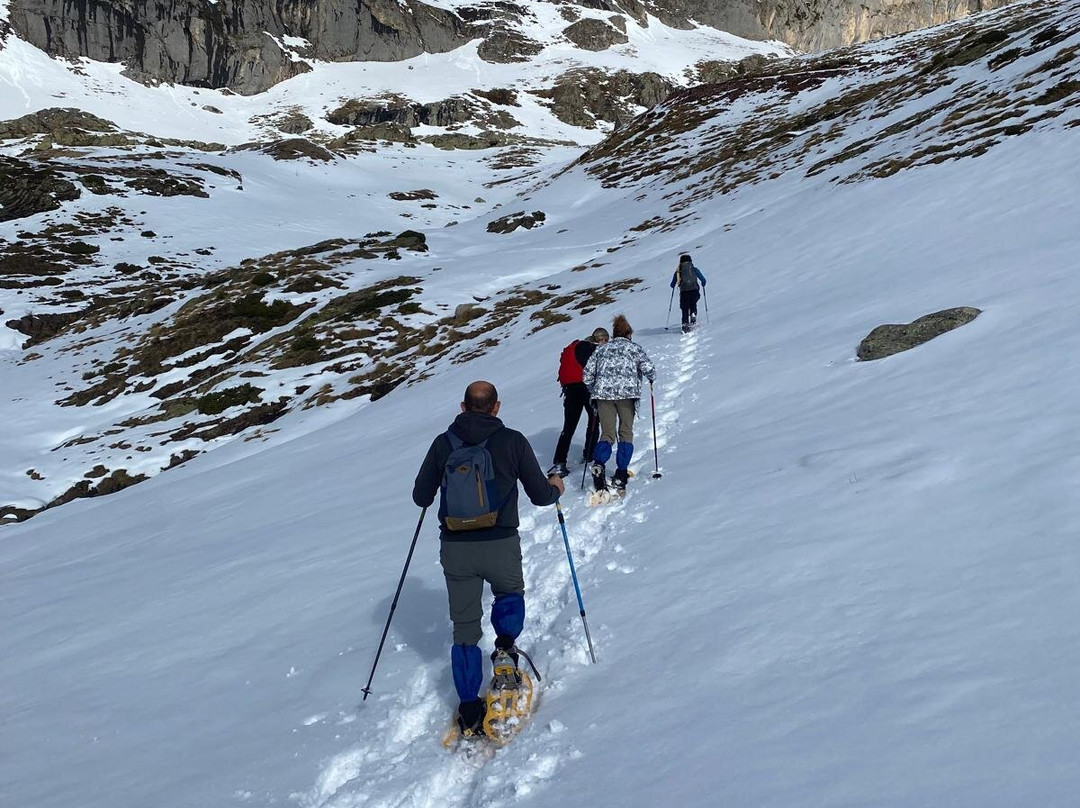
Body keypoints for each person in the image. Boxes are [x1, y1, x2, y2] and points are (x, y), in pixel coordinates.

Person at [412, 380, 565, 736]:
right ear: (496, 407)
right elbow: (541, 496)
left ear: (463, 407)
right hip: (500, 542)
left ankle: (468, 706)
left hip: (456, 548)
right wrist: (556, 486)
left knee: (464, 628)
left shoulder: (443, 443)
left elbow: (421, 496)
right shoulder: (512, 441)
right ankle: (505, 650)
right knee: (509, 594)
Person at [582, 315, 656, 493]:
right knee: (625, 433)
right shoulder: (634, 348)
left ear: (614, 334)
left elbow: (586, 376)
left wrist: (595, 390)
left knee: (607, 434)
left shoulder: (601, 349)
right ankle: (621, 473)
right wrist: (651, 379)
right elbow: (650, 370)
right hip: (627, 395)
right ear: (629, 333)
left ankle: (599, 464)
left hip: (603, 396)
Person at [548, 327, 609, 478]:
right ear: (601, 339)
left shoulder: (576, 347)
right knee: (594, 420)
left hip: (570, 389)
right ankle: (589, 455)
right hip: (586, 388)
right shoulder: (593, 349)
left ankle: (559, 462)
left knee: (568, 427)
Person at [670, 253, 707, 333]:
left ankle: (685, 326)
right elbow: (703, 280)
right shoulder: (694, 269)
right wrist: (703, 284)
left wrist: (673, 285)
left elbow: (672, 284)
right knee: (693, 304)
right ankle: (693, 315)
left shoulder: (678, 271)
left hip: (684, 292)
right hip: (694, 291)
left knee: (684, 309)